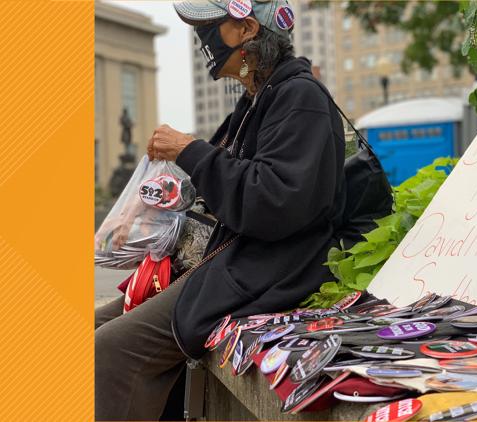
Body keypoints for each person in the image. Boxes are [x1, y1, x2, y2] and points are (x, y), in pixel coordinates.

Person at [95, 0, 346, 419]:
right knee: (93, 325)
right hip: (229, 261)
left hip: (268, 270)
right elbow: (215, 182)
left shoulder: (300, 97)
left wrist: (188, 149)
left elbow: (273, 203)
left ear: (246, 29)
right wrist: (144, 205)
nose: (202, 40)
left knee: (111, 349)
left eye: (209, 26)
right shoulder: (258, 99)